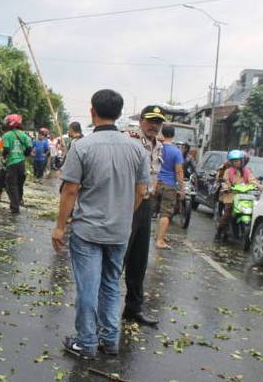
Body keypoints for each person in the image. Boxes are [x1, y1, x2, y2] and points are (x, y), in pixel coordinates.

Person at [52, 89, 149, 359]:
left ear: (92, 111)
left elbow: (70, 190)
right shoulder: (136, 148)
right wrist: (122, 214)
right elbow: (141, 191)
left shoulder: (82, 147)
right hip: (120, 231)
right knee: (110, 285)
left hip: (87, 230)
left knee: (87, 286)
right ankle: (110, 340)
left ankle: (86, 342)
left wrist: (60, 227)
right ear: (119, 114)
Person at [123, 105, 166, 326]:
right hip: (128, 201)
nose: (154, 125)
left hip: (146, 204)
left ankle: (133, 308)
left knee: (139, 259)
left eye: (158, 122)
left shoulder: (159, 145)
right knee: (119, 256)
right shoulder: (129, 140)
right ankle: (104, 309)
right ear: (141, 121)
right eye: (150, 121)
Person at [215, 150, 259, 242]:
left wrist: (258, 186)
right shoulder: (228, 171)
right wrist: (227, 187)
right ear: (231, 162)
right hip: (230, 197)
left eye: (238, 160)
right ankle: (218, 233)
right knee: (227, 215)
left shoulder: (247, 171)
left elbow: (253, 180)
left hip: (243, 197)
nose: (236, 163)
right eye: (234, 161)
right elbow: (225, 181)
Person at [154, 126, 185, 250]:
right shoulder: (176, 152)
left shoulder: (157, 148)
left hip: (156, 183)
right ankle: (160, 240)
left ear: (162, 133)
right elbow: (179, 171)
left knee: (156, 211)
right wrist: (181, 188)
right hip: (169, 185)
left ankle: (159, 235)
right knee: (165, 213)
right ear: (173, 135)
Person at [2, 114, 32, 214]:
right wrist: (24, 155)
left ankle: (15, 208)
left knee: (11, 185)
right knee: (19, 183)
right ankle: (19, 200)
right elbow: (29, 148)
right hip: (21, 163)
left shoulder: (7, 135)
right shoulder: (24, 135)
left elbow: (6, 149)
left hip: (12, 163)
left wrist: (3, 156)